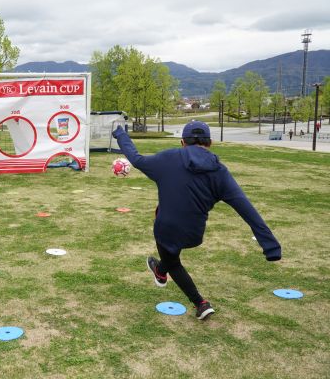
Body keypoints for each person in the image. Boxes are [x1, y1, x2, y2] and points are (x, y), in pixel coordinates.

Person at [112, 121, 282, 320]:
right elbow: (246, 209)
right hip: (194, 234)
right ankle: (160, 270)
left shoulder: (168, 158)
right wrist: (271, 246)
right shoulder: (220, 171)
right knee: (170, 252)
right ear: (209, 143)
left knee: (172, 261)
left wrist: (120, 134)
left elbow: (136, 159)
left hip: (166, 230)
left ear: (183, 142)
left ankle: (199, 302)